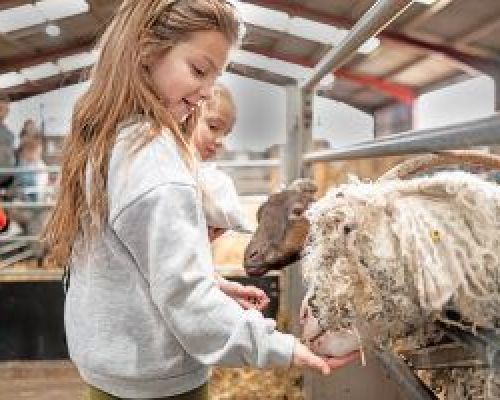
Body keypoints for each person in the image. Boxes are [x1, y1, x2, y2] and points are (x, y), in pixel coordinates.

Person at [43, 1, 358, 399]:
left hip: (112, 369)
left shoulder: (108, 138)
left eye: (216, 77)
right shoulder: (156, 165)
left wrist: (208, 281)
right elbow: (188, 304)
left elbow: (122, 259)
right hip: (159, 384)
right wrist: (281, 347)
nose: (207, 92)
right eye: (198, 70)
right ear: (146, 49)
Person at [0, 94, 16, 191]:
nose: (5, 112)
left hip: (7, 179)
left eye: (7, 109)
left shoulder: (7, 130)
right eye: (1, 108)